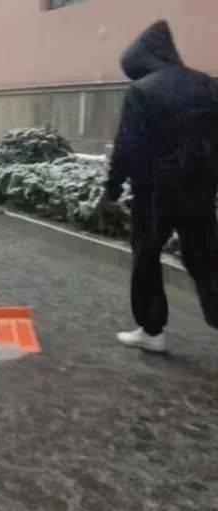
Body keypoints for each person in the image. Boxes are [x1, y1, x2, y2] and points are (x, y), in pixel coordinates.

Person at [100, 20, 218, 353]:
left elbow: (127, 145)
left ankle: (152, 332)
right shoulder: (207, 83)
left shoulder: (142, 91)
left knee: (147, 258)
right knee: (206, 260)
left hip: (154, 193)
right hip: (200, 190)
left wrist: (111, 191)